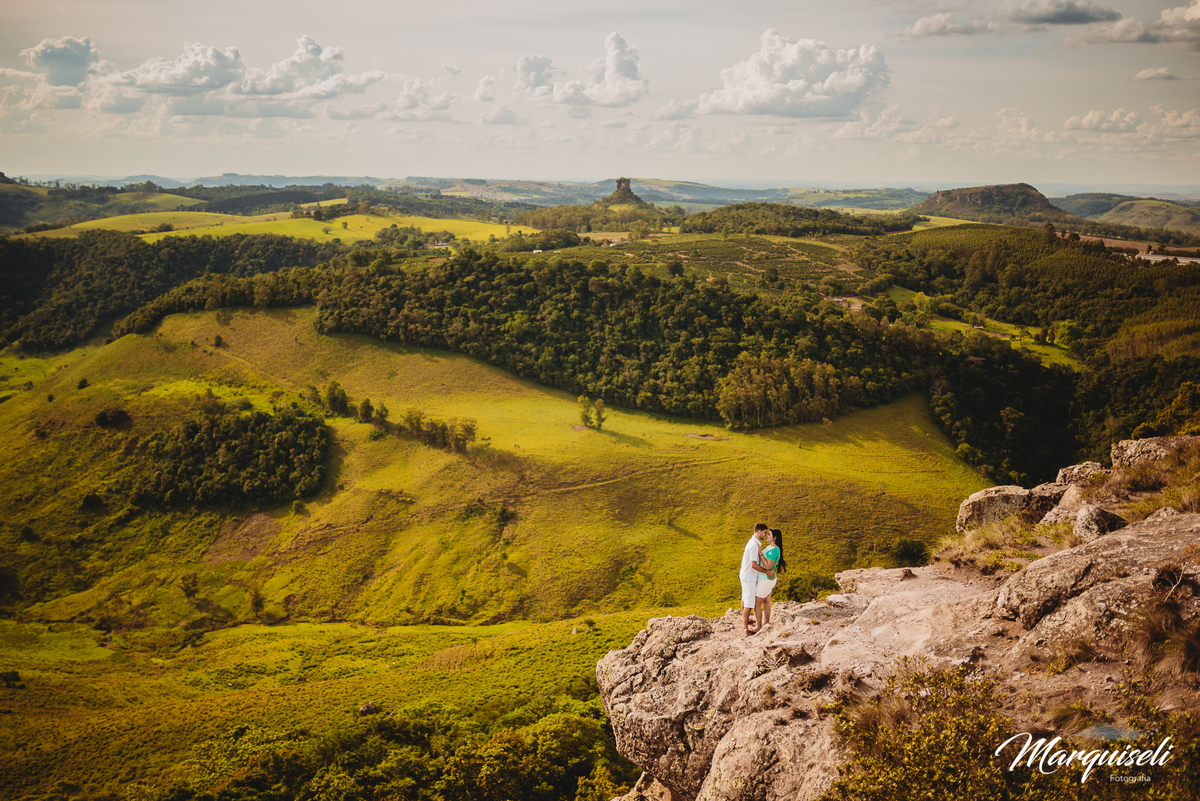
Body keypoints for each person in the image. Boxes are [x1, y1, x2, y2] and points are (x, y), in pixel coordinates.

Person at [739, 522, 773, 636]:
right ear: (759, 531)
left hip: (746, 575)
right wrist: (767, 572)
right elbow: (753, 564)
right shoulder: (754, 545)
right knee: (749, 603)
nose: (765, 535)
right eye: (764, 532)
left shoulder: (753, 543)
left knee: (745, 598)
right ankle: (745, 627)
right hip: (749, 577)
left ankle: (747, 621)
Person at [754, 528, 787, 630]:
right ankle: (766, 624)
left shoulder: (775, 549)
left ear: (774, 537)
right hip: (768, 579)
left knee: (756, 604)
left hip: (765, 580)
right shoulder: (770, 547)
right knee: (766, 601)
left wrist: (760, 553)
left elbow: (768, 566)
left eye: (769, 534)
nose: (766, 536)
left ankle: (758, 627)